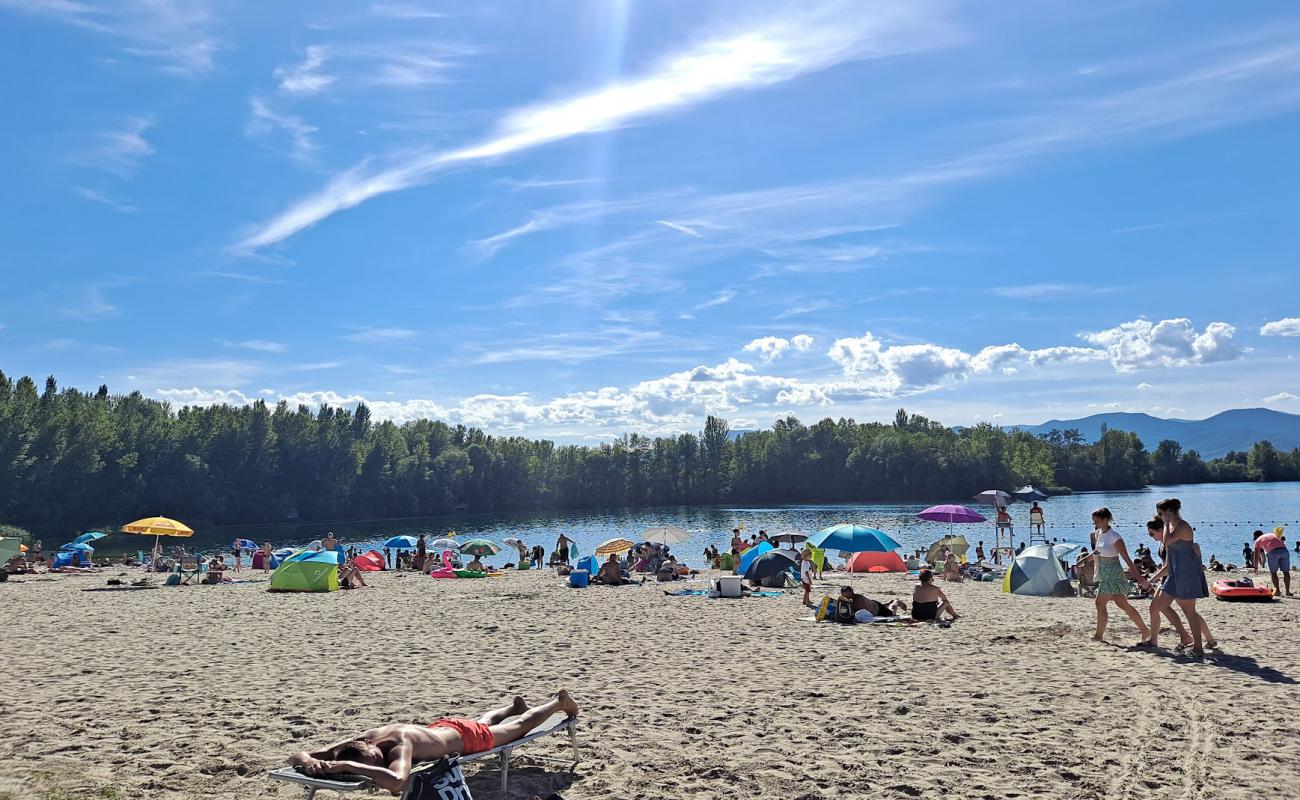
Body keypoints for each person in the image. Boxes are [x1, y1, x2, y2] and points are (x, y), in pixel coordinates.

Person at [288, 691, 581, 794]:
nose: (380, 762)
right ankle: (509, 707)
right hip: (440, 728)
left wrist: (344, 765)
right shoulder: (361, 741)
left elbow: (398, 781)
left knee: (519, 727)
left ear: (371, 748)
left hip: (464, 738)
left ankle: (558, 702)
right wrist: (311, 761)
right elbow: (296, 755)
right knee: (481, 720)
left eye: (376, 759)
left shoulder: (401, 745)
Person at [1140, 499, 1212, 655]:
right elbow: (1168, 554)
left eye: (1160, 513)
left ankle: (1198, 648)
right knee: (1160, 605)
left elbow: (1167, 540)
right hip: (1174, 573)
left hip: (1186, 573)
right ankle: (1186, 637)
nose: (1159, 517)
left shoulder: (1181, 526)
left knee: (1189, 612)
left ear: (1169, 512)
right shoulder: (1170, 525)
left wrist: (1165, 524)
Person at [1085, 508, 1150, 644]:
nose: (1095, 524)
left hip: (1113, 573)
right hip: (1104, 571)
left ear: (1106, 520)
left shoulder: (1115, 537)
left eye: (1097, 521)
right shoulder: (1098, 534)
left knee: (1100, 602)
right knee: (1123, 604)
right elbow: (1098, 551)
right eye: (1094, 521)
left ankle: (1098, 636)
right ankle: (1145, 630)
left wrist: (1139, 578)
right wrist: (1085, 559)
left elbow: (1127, 559)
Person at [1252, 527, 1292, 597]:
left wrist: (1256, 567)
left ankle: (1278, 591)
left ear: (1256, 536)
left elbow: (1256, 555)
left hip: (1273, 552)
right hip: (1284, 550)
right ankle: (1288, 592)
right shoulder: (1272, 534)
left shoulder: (1258, 540)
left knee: (1273, 573)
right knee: (1286, 572)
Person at [840, 585, 906, 622]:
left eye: (848, 596)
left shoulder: (860, 600)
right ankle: (889, 603)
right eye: (844, 596)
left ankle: (896, 602)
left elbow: (867, 613)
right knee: (882, 606)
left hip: (877, 609)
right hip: (873, 604)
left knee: (892, 612)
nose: (847, 598)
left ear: (852, 592)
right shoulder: (847, 599)